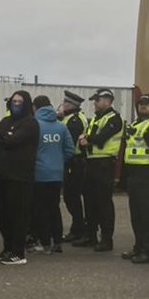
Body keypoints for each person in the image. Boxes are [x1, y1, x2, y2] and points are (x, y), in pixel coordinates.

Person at [0, 89, 40, 265]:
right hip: (3, 176)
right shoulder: (6, 121)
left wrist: (3, 135)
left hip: (20, 177)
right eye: (14, 101)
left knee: (17, 216)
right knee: (2, 215)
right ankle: (8, 247)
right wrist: (3, 135)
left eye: (20, 102)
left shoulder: (30, 123)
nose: (16, 104)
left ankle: (18, 252)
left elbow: (13, 141)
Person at [121, 94, 149, 264]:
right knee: (137, 214)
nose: (142, 107)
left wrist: (146, 135)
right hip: (134, 173)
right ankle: (138, 247)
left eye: (146, 104)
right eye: (140, 104)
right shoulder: (135, 124)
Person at [79, 89, 124, 252]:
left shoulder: (114, 119)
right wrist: (86, 140)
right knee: (90, 201)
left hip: (104, 164)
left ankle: (106, 239)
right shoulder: (96, 119)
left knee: (104, 203)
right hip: (91, 162)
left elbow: (101, 138)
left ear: (107, 101)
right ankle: (90, 235)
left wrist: (87, 139)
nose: (94, 104)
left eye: (97, 100)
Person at [31, 96, 75, 253]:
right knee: (54, 207)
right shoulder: (61, 127)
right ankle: (57, 242)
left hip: (39, 173)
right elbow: (70, 150)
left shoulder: (35, 125)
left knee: (40, 209)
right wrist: (58, 161)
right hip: (56, 174)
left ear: (35, 107)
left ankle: (44, 243)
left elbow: (29, 150)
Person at [58, 90, 89, 242]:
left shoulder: (74, 120)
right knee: (71, 197)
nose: (63, 105)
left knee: (72, 197)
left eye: (66, 103)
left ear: (72, 105)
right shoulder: (69, 118)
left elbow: (68, 141)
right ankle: (78, 228)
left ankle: (78, 228)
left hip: (74, 162)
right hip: (73, 161)